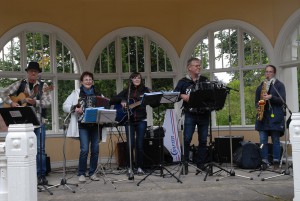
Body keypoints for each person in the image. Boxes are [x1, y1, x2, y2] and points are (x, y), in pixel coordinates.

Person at [2, 61, 52, 185]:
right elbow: (3, 93)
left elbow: (48, 102)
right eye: (31, 71)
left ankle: (41, 176)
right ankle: (25, 175)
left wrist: (36, 103)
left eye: (35, 71)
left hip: (39, 122)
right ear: (27, 72)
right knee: (24, 149)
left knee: (40, 149)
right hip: (23, 123)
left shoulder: (43, 86)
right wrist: (12, 102)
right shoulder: (20, 84)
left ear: (38, 73)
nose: (33, 73)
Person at [63, 71, 103, 182]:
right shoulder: (76, 93)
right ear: (81, 81)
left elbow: (105, 105)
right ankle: (81, 173)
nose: (88, 81)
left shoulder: (98, 93)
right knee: (84, 149)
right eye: (86, 79)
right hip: (82, 125)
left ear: (92, 81)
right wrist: (75, 109)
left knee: (95, 150)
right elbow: (65, 106)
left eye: (90, 79)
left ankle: (92, 173)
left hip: (96, 125)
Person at [174, 57, 210, 174]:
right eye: (196, 65)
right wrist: (182, 95)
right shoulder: (183, 82)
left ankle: (201, 165)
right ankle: (185, 164)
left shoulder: (204, 80)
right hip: (190, 113)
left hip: (204, 113)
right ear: (189, 68)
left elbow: (210, 94)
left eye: (199, 65)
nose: (199, 67)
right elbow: (175, 94)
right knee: (187, 139)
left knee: (203, 140)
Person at [115, 72, 150, 175]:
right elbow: (113, 99)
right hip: (128, 120)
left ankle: (139, 167)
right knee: (130, 144)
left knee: (139, 144)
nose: (137, 79)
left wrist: (154, 99)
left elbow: (154, 103)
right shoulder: (127, 91)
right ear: (131, 80)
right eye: (134, 78)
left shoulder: (145, 90)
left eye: (139, 78)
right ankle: (129, 167)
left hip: (141, 120)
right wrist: (122, 100)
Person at [255, 64, 286, 171]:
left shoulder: (279, 85)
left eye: (270, 72)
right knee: (263, 140)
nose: (268, 74)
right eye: (266, 72)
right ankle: (264, 161)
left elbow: (282, 100)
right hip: (263, 118)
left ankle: (276, 162)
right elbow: (256, 101)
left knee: (275, 140)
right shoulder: (261, 86)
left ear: (274, 73)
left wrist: (271, 97)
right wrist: (259, 107)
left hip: (275, 117)